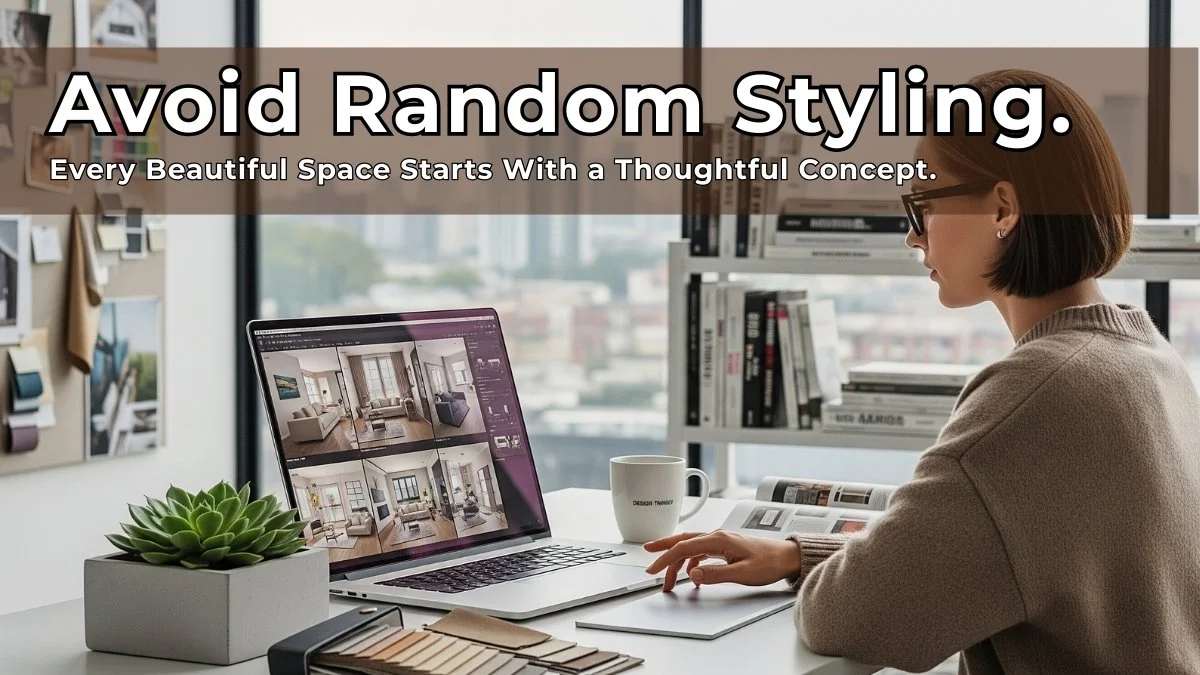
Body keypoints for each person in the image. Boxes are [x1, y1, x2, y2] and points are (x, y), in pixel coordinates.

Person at [644, 69, 1200, 674]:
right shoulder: (1141, 357)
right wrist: (799, 554)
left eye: (922, 206)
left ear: (1003, 207)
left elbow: (849, 619)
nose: (912, 237)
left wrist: (821, 574)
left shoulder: (1036, 397)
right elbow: (1010, 551)